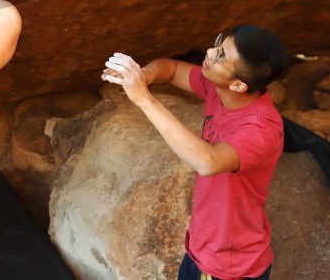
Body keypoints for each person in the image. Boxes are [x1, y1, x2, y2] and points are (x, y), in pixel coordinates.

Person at [101, 25, 289, 280]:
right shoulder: (219, 89)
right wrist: (144, 76)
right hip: (200, 252)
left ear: (237, 85)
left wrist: (144, 98)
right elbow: (171, 68)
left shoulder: (260, 129)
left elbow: (208, 161)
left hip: (230, 268)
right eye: (219, 43)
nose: (210, 52)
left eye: (221, 56)